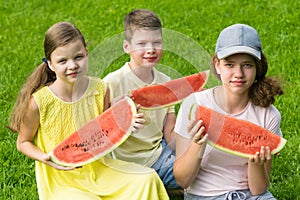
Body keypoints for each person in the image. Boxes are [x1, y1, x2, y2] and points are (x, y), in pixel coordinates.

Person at [8, 22, 169, 200]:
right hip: (62, 180)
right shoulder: (39, 102)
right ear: (50, 64)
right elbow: (23, 143)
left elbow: (105, 131)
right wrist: (44, 157)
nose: (72, 65)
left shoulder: (100, 89)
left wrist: (125, 121)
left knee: (146, 179)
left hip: (99, 169)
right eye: (62, 61)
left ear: (86, 53)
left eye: (78, 57)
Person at [173, 24, 284, 199]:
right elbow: (182, 181)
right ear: (217, 65)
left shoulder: (268, 115)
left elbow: (258, 190)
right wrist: (197, 144)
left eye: (247, 65)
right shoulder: (196, 105)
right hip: (204, 196)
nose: (238, 73)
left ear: (258, 67)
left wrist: (255, 164)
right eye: (230, 64)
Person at [103, 9, 180, 190]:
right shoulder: (111, 83)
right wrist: (120, 121)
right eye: (142, 44)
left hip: (160, 155)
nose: (150, 50)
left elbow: (169, 131)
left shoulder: (166, 83)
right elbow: (100, 131)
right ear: (126, 47)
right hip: (124, 163)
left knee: (201, 171)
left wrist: (192, 150)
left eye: (156, 43)